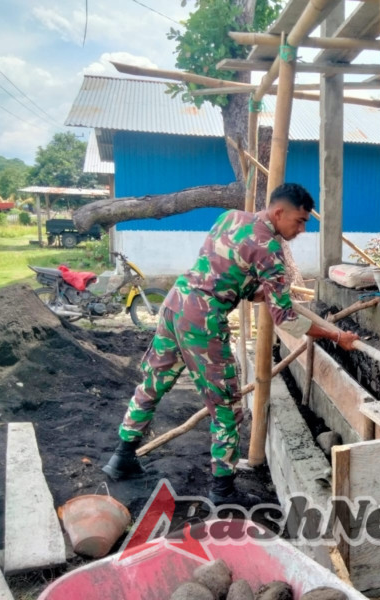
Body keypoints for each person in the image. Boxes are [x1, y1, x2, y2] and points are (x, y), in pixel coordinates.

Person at [102, 183, 359, 506]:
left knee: (152, 385)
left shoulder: (231, 218)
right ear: (279, 212)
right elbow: (287, 320)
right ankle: (222, 490)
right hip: (203, 320)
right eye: (299, 221)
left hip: (176, 302)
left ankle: (121, 456)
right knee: (225, 407)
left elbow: (227, 274)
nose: (302, 229)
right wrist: (337, 336)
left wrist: (262, 291)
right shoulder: (270, 251)